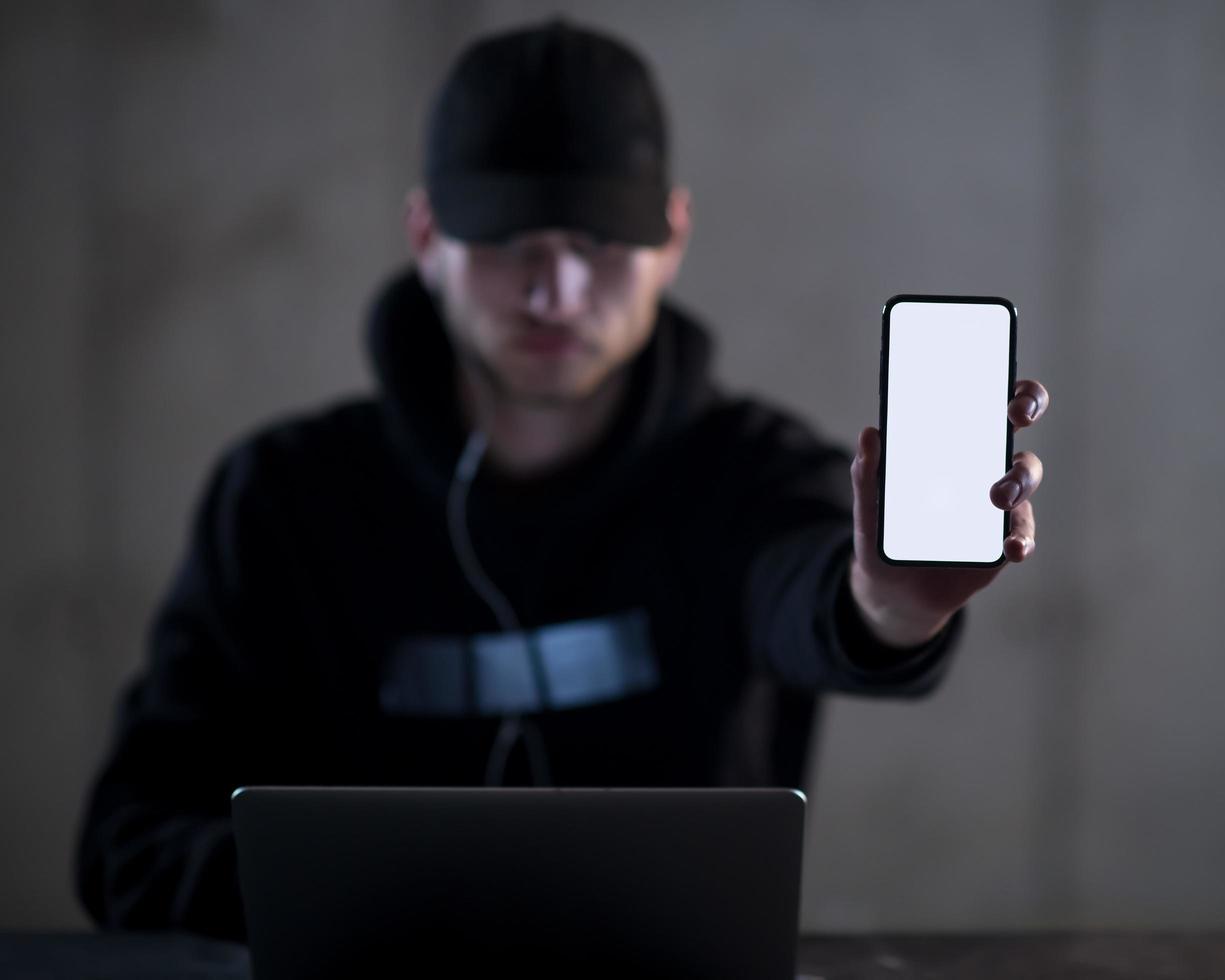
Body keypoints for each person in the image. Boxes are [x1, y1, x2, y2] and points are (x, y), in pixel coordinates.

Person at [75, 19, 1049, 941]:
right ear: (426, 240)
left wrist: (887, 604)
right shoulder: (282, 499)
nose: (557, 293)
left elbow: (808, 589)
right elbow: (127, 840)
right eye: (511, 245)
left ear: (671, 237)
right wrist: (343, 902)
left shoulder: (746, 473)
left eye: (600, 246)